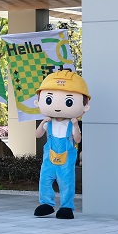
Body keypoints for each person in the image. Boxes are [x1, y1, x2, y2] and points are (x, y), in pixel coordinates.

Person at [33, 70, 89, 220]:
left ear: (85, 106)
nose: (57, 107)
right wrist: (42, 123)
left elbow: (77, 140)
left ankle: (66, 207)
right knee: (45, 180)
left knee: (66, 183)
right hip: (49, 160)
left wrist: (76, 125)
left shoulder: (71, 124)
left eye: (68, 102)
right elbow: (38, 135)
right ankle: (46, 204)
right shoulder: (49, 123)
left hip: (66, 161)